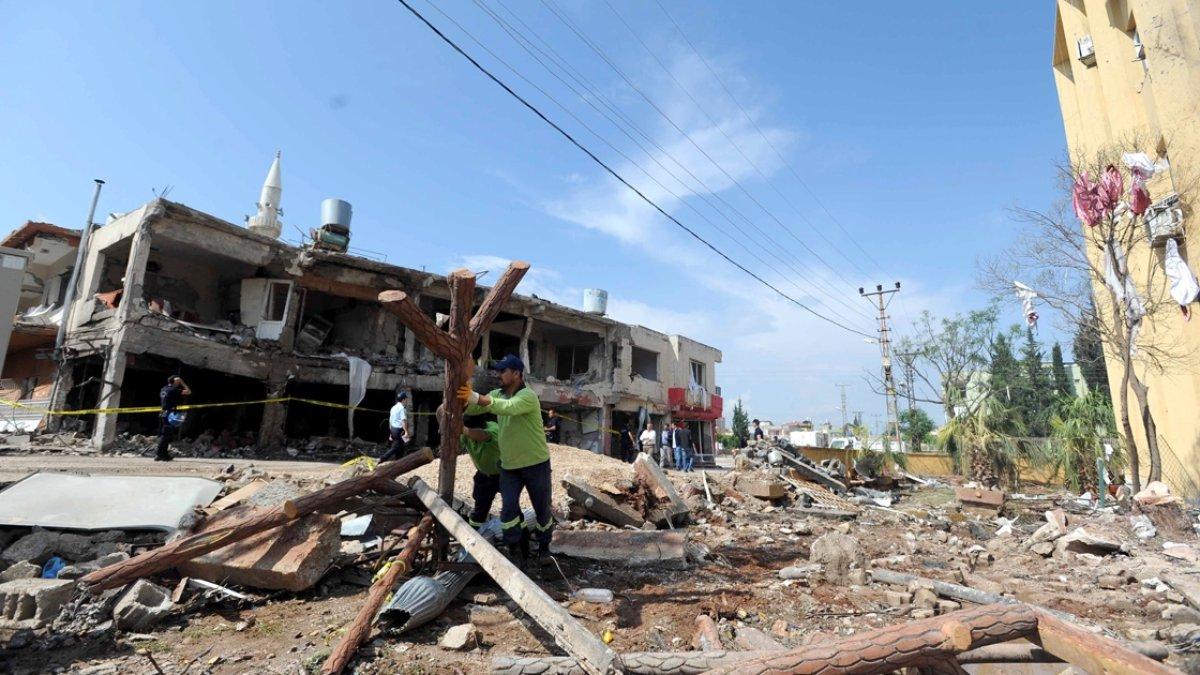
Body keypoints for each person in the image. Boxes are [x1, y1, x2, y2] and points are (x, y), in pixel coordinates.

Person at [459, 355, 553, 561]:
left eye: (503, 371)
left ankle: (545, 549)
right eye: (497, 371)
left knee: (542, 510)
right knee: (508, 511)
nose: (498, 374)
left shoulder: (527, 396)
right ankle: (515, 552)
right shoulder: (497, 393)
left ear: (517, 374)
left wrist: (476, 397)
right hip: (510, 466)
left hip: (536, 464)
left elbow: (506, 408)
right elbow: (477, 406)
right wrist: (466, 393)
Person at [461, 415, 502, 530]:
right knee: (479, 511)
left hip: (505, 475)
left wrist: (463, 429)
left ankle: (519, 544)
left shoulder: (493, 429)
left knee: (512, 510)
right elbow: (454, 447)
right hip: (484, 475)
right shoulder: (466, 434)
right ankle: (472, 538)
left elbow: (483, 436)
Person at [156, 375, 191, 462]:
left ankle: (164, 454)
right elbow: (188, 392)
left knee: (166, 434)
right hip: (169, 413)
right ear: (174, 382)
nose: (179, 383)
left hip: (163, 413)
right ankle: (160, 454)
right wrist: (182, 382)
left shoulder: (163, 388)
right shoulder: (173, 390)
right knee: (166, 435)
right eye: (177, 382)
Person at [380, 391, 411, 462]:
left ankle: (399, 461)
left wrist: (391, 433)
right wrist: (406, 431)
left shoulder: (393, 408)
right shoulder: (402, 409)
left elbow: (390, 421)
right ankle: (382, 458)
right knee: (395, 447)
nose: (406, 400)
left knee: (401, 446)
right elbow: (403, 420)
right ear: (403, 400)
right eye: (406, 399)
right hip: (399, 431)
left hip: (393, 429)